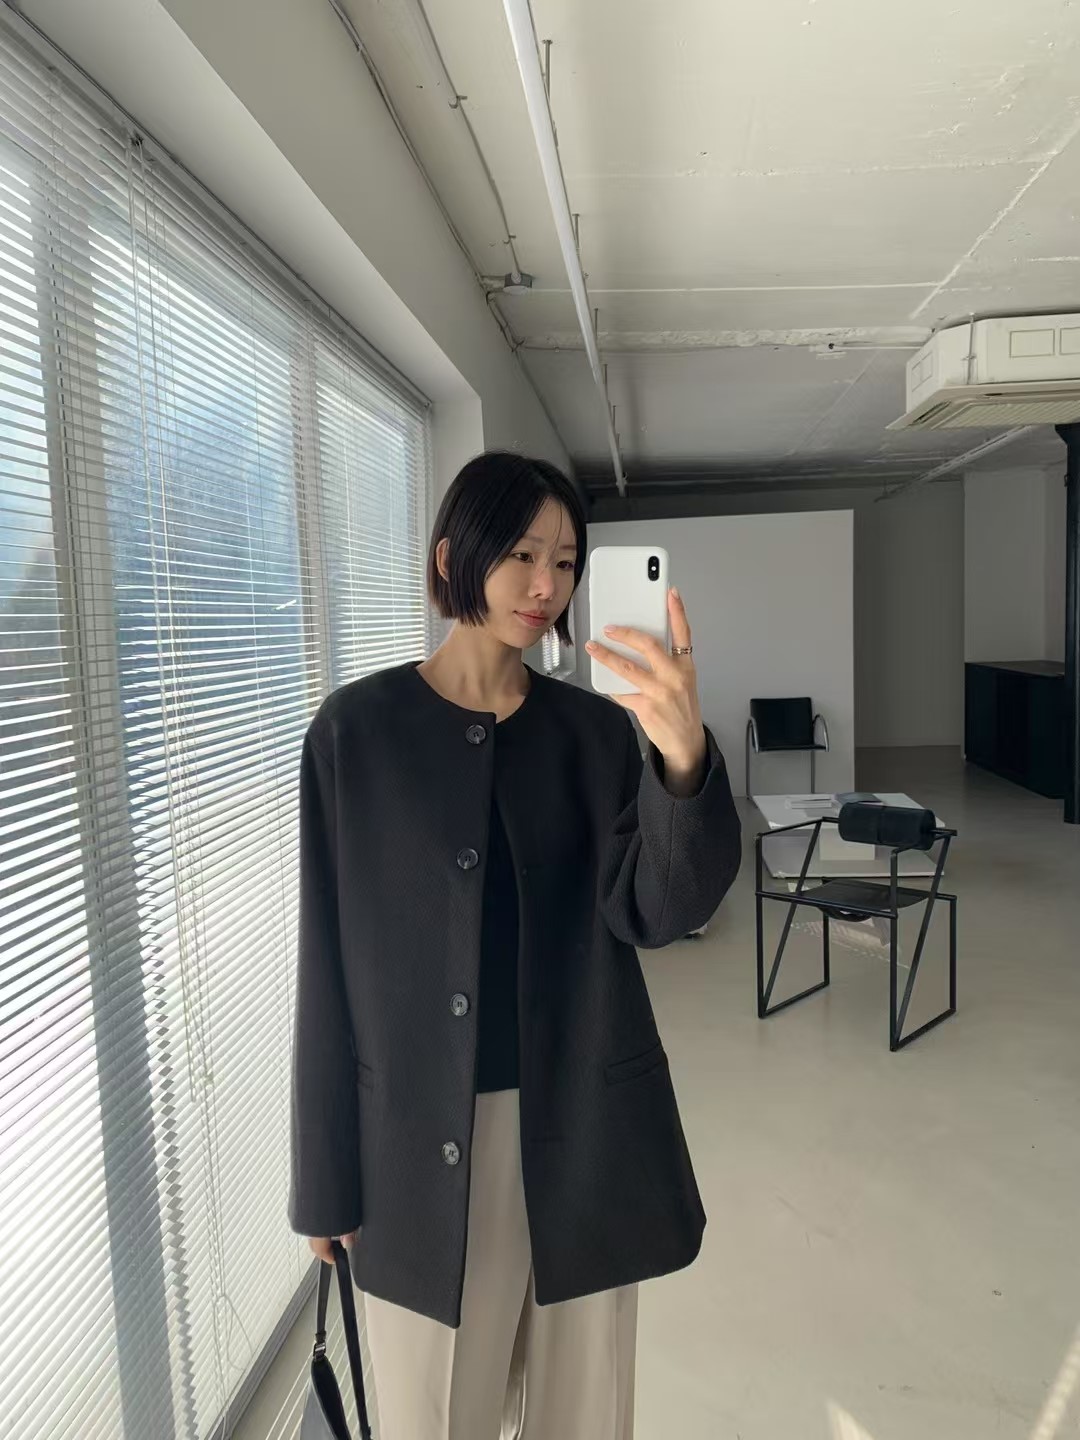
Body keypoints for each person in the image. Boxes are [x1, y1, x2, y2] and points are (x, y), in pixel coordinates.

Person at [288, 451, 741, 1439]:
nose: (547, 585)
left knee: (585, 1415)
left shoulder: (595, 734)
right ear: (454, 556)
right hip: (416, 1146)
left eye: (567, 561)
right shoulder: (355, 735)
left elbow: (659, 913)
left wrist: (682, 758)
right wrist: (323, 1177)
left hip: (585, 1128)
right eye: (524, 554)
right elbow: (324, 968)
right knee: (431, 1415)